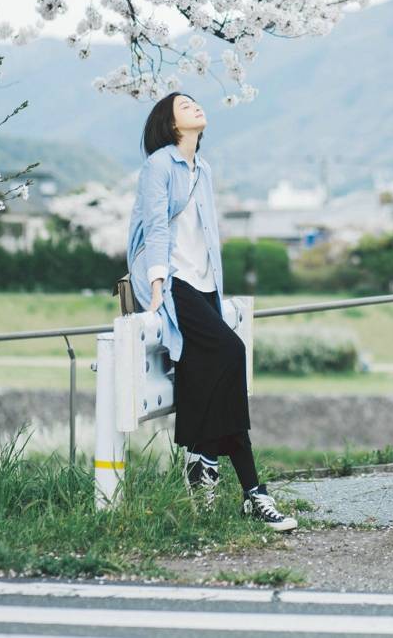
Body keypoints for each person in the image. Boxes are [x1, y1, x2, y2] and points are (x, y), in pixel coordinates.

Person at [127, 91, 296, 532]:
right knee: (231, 352)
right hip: (172, 282)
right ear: (170, 123)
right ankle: (238, 482)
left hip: (203, 286)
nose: (196, 108)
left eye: (195, 104)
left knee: (209, 377)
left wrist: (216, 291)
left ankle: (217, 470)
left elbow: (207, 237)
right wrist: (159, 285)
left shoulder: (203, 169)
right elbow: (157, 226)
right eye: (185, 106)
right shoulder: (158, 165)